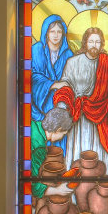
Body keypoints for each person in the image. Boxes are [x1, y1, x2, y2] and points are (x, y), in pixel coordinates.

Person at [53, 27, 108, 175]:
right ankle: (76, 182)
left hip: (100, 117)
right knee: (79, 152)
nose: (94, 45)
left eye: (97, 41)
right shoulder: (72, 62)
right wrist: (61, 109)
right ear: (85, 43)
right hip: (79, 118)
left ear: (102, 44)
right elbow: (65, 88)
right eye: (91, 41)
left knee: (100, 153)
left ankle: (102, 182)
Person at [31, 15, 73, 149]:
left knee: (59, 146)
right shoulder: (36, 50)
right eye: (52, 31)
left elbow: (72, 80)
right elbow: (31, 77)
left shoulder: (68, 54)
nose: (56, 35)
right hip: (39, 105)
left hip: (60, 105)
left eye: (59, 32)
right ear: (46, 32)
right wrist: (53, 85)